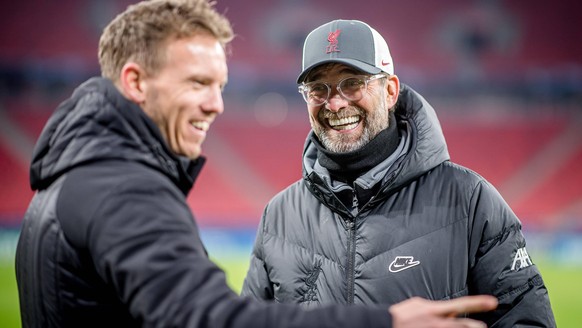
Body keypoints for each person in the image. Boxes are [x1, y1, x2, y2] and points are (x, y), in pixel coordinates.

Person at [14, 2, 498, 328]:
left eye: (219, 85)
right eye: (198, 83)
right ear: (136, 82)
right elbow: (217, 319)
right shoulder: (123, 191)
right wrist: (387, 321)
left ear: (390, 91)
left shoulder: (67, 182)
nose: (216, 105)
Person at [241, 19, 556, 327]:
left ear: (390, 90)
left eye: (352, 83)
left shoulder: (470, 200)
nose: (334, 103)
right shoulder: (278, 216)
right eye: (317, 89)